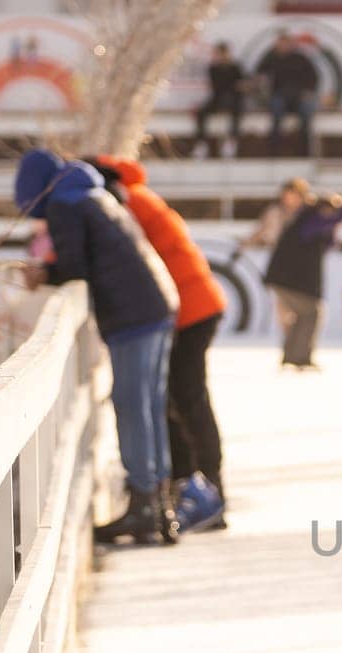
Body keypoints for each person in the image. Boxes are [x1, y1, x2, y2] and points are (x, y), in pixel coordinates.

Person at [13, 149, 180, 546]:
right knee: (149, 406)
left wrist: (44, 272)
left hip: (132, 314)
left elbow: (76, 267)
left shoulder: (65, 205)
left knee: (130, 404)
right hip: (154, 304)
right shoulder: (91, 192)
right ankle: (158, 503)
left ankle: (143, 504)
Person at [91, 155, 230, 533]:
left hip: (190, 309)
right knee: (177, 399)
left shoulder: (126, 203)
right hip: (190, 304)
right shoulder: (136, 195)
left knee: (186, 399)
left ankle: (206, 489)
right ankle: (195, 486)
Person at [260, 178, 342, 371]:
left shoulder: (310, 220)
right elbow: (335, 219)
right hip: (288, 279)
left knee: (305, 314)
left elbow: (327, 242)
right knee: (312, 312)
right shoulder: (310, 218)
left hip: (290, 279)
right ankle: (299, 357)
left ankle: (293, 356)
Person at [254, 31, 320, 157]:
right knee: (276, 110)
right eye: (280, 44)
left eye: (285, 44)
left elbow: (313, 77)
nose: (282, 46)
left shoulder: (300, 58)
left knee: (307, 113)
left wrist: (308, 91)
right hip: (280, 96)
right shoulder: (271, 59)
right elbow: (259, 74)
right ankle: (274, 149)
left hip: (299, 96)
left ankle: (304, 149)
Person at [193, 42, 245, 159]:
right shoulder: (213, 68)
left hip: (233, 99)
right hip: (218, 98)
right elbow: (220, 86)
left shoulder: (235, 67)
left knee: (237, 109)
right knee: (201, 113)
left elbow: (241, 85)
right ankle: (201, 143)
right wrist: (233, 85)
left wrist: (235, 86)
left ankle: (231, 141)